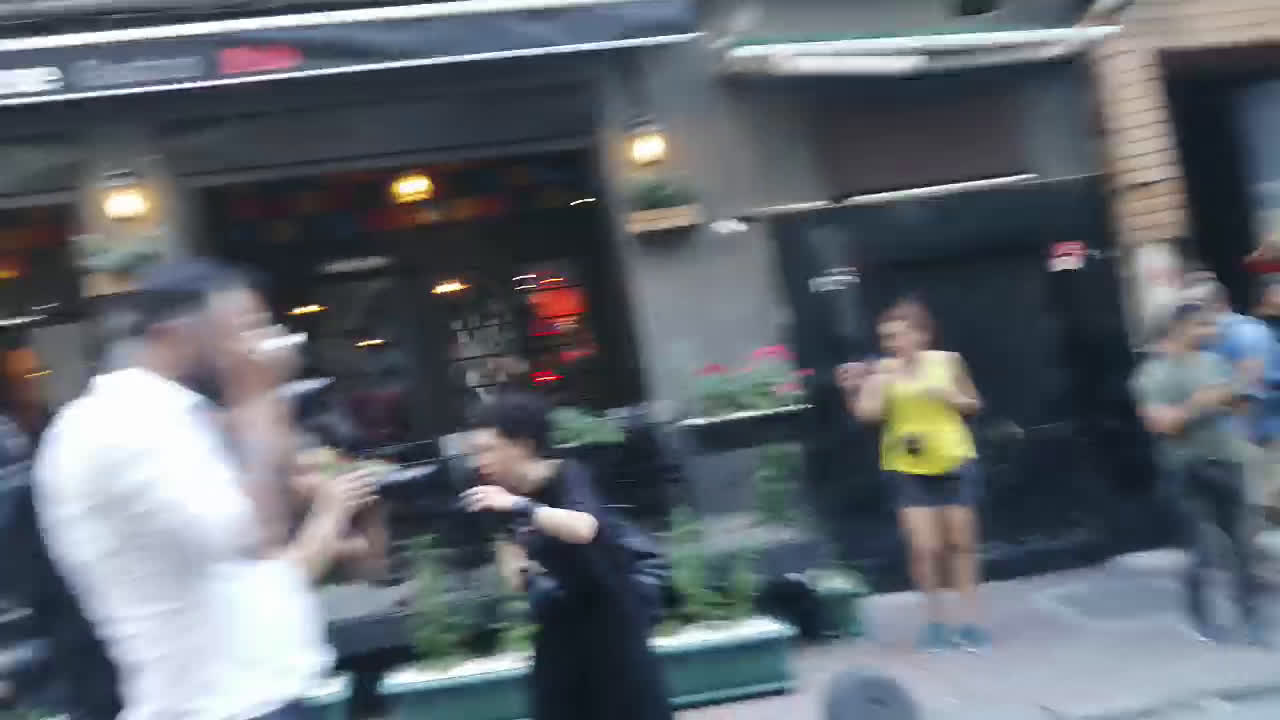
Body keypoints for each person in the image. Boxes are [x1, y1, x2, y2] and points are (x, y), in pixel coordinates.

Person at [33, 259, 376, 720]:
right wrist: (257, 400)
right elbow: (245, 534)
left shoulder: (178, 421)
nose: (262, 347)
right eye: (242, 329)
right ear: (173, 334)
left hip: (262, 701)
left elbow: (249, 561)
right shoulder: (119, 425)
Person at [461, 391, 671, 720]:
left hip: (612, 625)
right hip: (559, 627)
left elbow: (584, 528)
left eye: (487, 449)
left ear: (523, 445)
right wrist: (529, 578)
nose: (478, 461)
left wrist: (521, 507)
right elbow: (512, 567)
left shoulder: (567, 475)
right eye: (474, 452)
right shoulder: (494, 495)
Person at [836, 298, 987, 652]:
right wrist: (853, 389)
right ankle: (935, 622)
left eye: (897, 336)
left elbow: (974, 403)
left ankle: (971, 622)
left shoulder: (948, 362)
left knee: (960, 544)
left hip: (954, 459)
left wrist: (951, 396)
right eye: (886, 338)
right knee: (924, 548)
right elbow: (868, 415)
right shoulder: (882, 371)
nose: (891, 344)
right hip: (905, 466)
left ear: (921, 335)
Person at [1130, 301, 1265, 645]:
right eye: (1202, 325)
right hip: (1185, 469)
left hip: (1226, 461)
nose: (1211, 331)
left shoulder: (1214, 362)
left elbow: (1238, 405)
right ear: (1180, 328)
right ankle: (1203, 620)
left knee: (1242, 545)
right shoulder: (1151, 374)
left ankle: (1251, 617)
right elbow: (1161, 425)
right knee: (1202, 548)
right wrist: (1199, 404)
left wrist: (1243, 389)